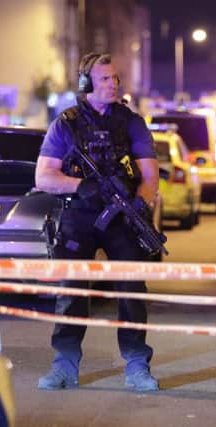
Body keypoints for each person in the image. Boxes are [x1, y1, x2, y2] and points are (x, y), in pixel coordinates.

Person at [35, 52, 160, 392]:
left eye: (116, 78)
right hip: (80, 213)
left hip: (122, 217)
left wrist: (139, 205)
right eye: (105, 79)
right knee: (71, 292)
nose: (113, 84)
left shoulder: (131, 122)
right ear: (87, 83)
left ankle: (136, 365)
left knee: (132, 291)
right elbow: (44, 176)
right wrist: (81, 186)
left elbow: (150, 176)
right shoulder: (67, 123)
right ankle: (64, 366)